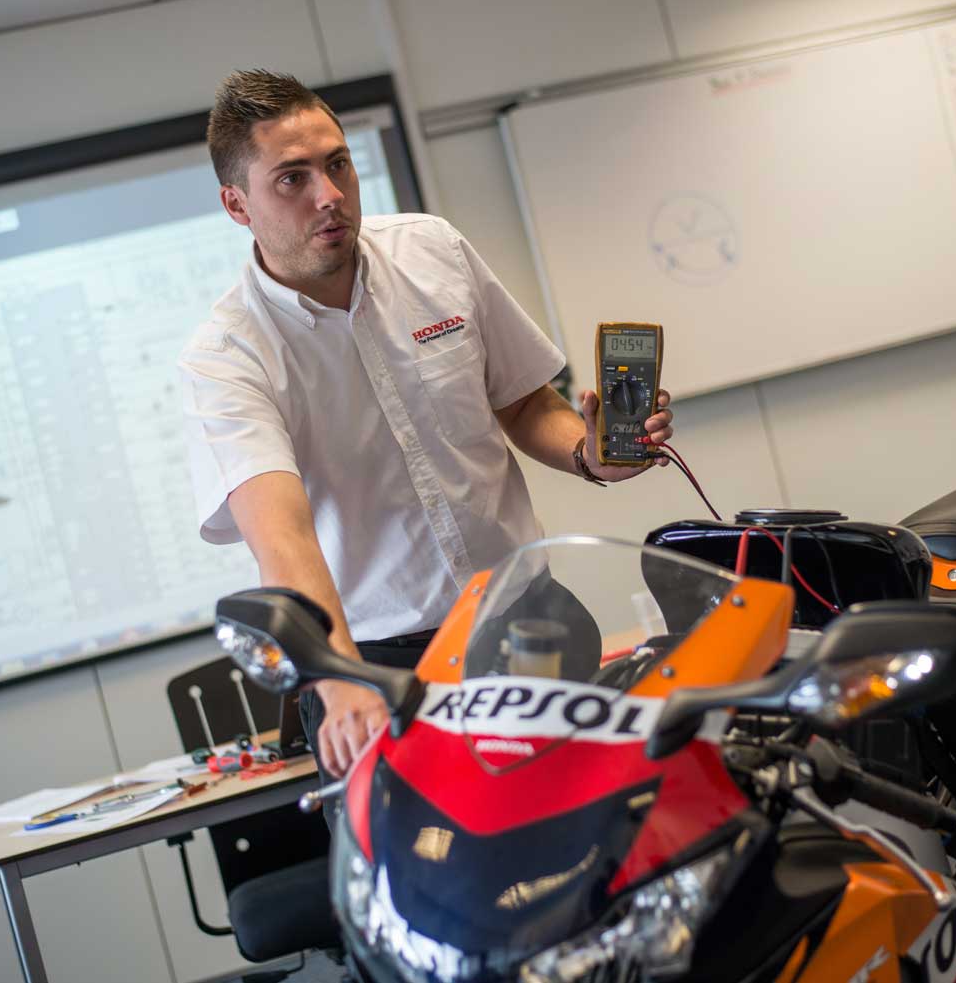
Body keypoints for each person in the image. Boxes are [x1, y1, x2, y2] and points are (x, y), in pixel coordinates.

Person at [178, 69, 674, 782]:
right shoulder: (226, 356)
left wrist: (591, 454)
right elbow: (281, 536)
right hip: (380, 666)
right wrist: (338, 676)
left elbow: (524, 403)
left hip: (526, 621)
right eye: (292, 179)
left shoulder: (432, 250)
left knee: (594, 841)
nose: (330, 196)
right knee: (440, 880)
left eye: (338, 164)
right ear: (237, 204)